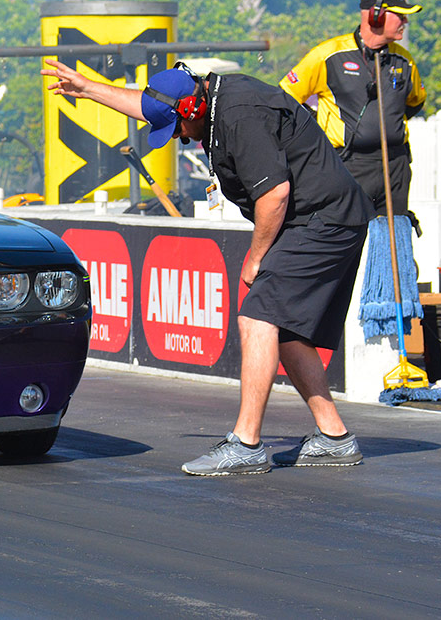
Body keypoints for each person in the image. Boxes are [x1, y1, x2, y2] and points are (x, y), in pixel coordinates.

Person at [43, 59, 372, 476]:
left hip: (325, 220)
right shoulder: (198, 100)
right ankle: (334, 437)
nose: (179, 139)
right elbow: (153, 106)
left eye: (177, 129)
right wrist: (88, 88)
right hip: (312, 219)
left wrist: (255, 258)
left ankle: (246, 445)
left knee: (258, 317)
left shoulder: (240, 115)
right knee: (284, 329)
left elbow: (274, 194)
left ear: (192, 111)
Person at [280, 0, 426, 217]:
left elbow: (415, 102)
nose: (404, 22)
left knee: (394, 239)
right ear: (375, 16)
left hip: (395, 165)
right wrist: (315, 125)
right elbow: (286, 96)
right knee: (344, 238)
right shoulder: (328, 55)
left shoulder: (404, 59)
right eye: (399, 15)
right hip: (349, 163)